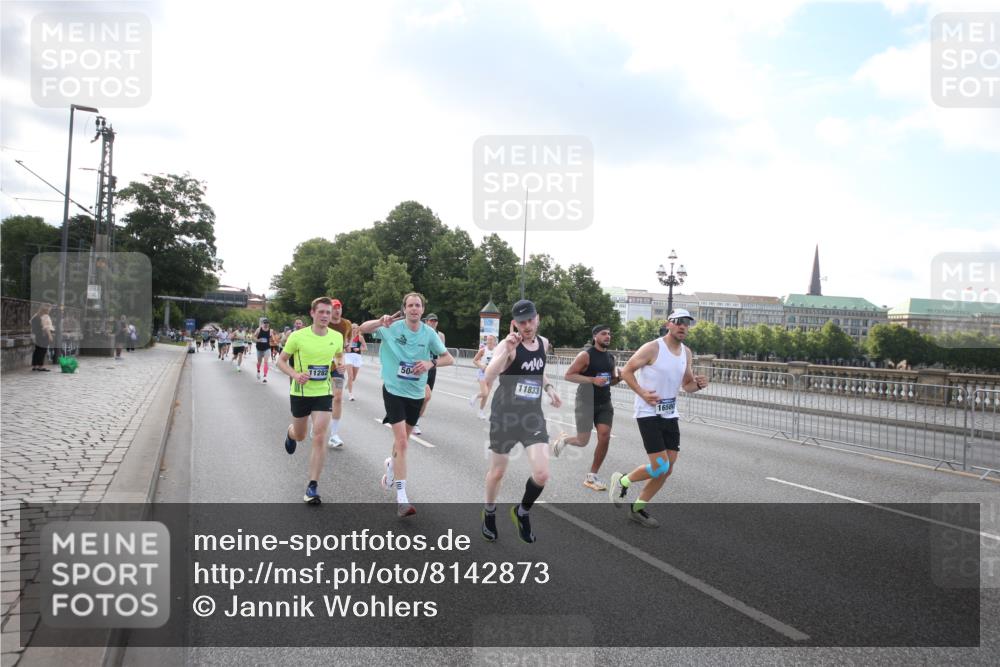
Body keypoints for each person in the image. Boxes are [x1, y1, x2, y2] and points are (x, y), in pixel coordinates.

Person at [609, 309, 709, 528]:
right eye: (679, 322)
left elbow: (687, 385)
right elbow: (626, 372)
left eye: (687, 323)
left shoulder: (686, 352)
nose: (683, 326)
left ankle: (637, 508)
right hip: (648, 414)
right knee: (661, 466)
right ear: (669, 324)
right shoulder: (652, 347)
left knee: (668, 468)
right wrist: (643, 393)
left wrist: (698, 385)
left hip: (670, 413)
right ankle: (623, 480)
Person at [358, 293, 454, 517]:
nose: (414, 309)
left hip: (416, 393)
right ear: (404, 308)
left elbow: (449, 358)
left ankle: (391, 467)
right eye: (410, 305)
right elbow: (362, 328)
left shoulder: (429, 333)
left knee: (403, 442)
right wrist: (379, 322)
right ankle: (402, 498)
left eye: (417, 305)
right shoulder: (391, 327)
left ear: (422, 309)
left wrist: (431, 362)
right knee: (402, 442)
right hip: (393, 390)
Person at [481, 300, 562, 544]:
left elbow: (538, 370)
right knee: (497, 473)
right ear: (514, 323)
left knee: (542, 474)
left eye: (530, 320)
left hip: (531, 416)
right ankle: (489, 512)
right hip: (505, 415)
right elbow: (489, 374)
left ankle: (522, 511)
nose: (527, 326)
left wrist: (548, 388)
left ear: (538, 319)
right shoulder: (509, 345)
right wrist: (506, 350)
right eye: (522, 322)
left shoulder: (544, 343)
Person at [275, 297, 346, 504]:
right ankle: (291, 432)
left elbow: (339, 356)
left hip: (323, 392)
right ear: (312, 313)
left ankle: (312, 486)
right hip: (300, 393)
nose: (325, 316)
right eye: (321, 312)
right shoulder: (298, 337)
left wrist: (339, 366)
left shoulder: (336, 336)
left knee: (320, 435)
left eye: (328, 312)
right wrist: (296, 375)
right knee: (300, 434)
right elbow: (281, 361)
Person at [552, 325, 622, 491]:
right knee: (583, 441)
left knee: (604, 436)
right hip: (585, 402)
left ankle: (592, 476)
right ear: (595, 336)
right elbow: (568, 375)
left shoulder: (611, 358)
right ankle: (565, 440)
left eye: (609, 334)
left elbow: (609, 380)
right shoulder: (586, 355)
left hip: (605, 403)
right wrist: (592, 380)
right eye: (604, 334)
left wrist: (618, 379)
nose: (607, 336)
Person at [326, 300, 353, 448]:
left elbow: (346, 342)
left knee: (337, 397)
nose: (337, 311)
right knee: (320, 398)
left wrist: (347, 345)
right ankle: (316, 422)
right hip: (321, 364)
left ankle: (334, 435)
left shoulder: (346, 324)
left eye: (339, 308)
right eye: (334, 308)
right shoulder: (324, 322)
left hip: (338, 364)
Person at [414, 313, 446, 435]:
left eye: (435, 321)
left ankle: (415, 418)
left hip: (432, 366)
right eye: (431, 321)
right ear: (426, 321)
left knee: (427, 396)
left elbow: (442, 351)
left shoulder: (440, 335)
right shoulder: (420, 332)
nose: (433, 322)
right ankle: (414, 421)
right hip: (420, 366)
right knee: (420, 395)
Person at [468, 335, 498, 420]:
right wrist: (481, 365)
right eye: (488, 340)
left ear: (495, 341)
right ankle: (475, 396)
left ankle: (480, 412)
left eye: (491, 340)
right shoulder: (483, 350)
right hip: (482, 373)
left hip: (492, 374)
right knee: (484, 392)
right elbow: (474, 360)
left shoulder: (497, 351)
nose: (489, 341)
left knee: (486, 395)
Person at [344, 325, 367, 401]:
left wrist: (359, 348)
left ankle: (348, 383)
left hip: (357, 357)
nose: (353, 329)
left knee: (353, 377)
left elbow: (365, 348)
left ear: (357, 329)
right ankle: (351, 395)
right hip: (348, 357)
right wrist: (347, 347)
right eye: (352, 328)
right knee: (350, 376)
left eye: (355, 328)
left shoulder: (360, 337)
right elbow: (344, 349)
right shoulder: (347, 337)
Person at [29, 304, 54, 371]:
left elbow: (30, 322)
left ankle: (35, 366)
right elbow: (46, 327)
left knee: (37, 350)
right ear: (46, 310)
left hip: (38, 335)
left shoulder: (36, 315)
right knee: (42, 351)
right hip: (44, 335)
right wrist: (50, 336)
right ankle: (40, 366)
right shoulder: (45, 316)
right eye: (49, 309)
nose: (50, 311)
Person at [252, 318, 273, 383]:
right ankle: (258, 371)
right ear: (262, 323)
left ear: (268, 324)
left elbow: (272, 338)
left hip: (267, 348)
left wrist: (272, 339)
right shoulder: (259, 329)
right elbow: (253, 337)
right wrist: (258, 340)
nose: (266, 324)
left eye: (267, 323)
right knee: (259, 362)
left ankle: (265, 376)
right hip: (259, 348)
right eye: (265, 323)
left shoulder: (270, 330)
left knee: (266, 362)